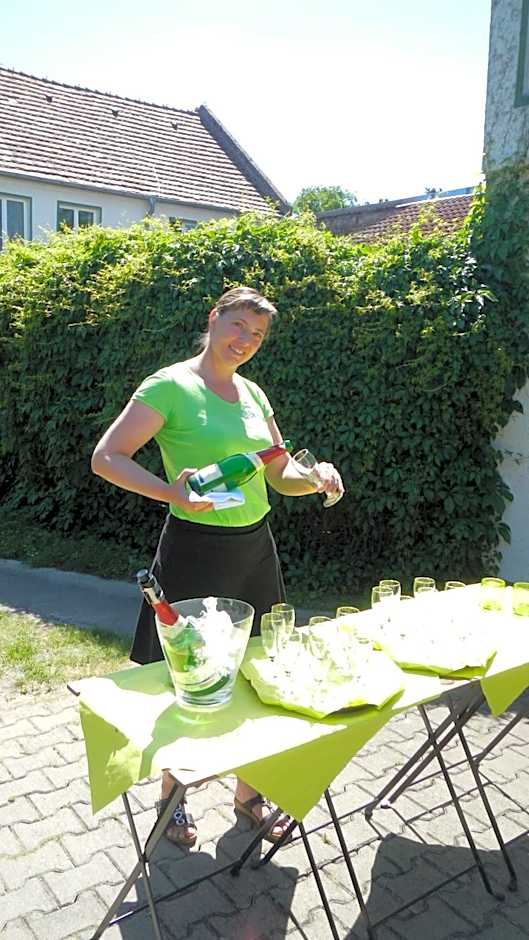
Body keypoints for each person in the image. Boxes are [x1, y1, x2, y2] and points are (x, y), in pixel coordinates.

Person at [91, 286, 344, 847]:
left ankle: (248, 794)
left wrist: (317, 475)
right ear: (215, 318)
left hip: (256, 549)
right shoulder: (170, 385)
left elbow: (278, 474)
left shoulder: (253, 394)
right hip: (194, 548)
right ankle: (173, 798)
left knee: (257, 673)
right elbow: (107, 457)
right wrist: (172, 494)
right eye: (238, 327)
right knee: (189, 680)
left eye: (256, 335)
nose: (245, 341)